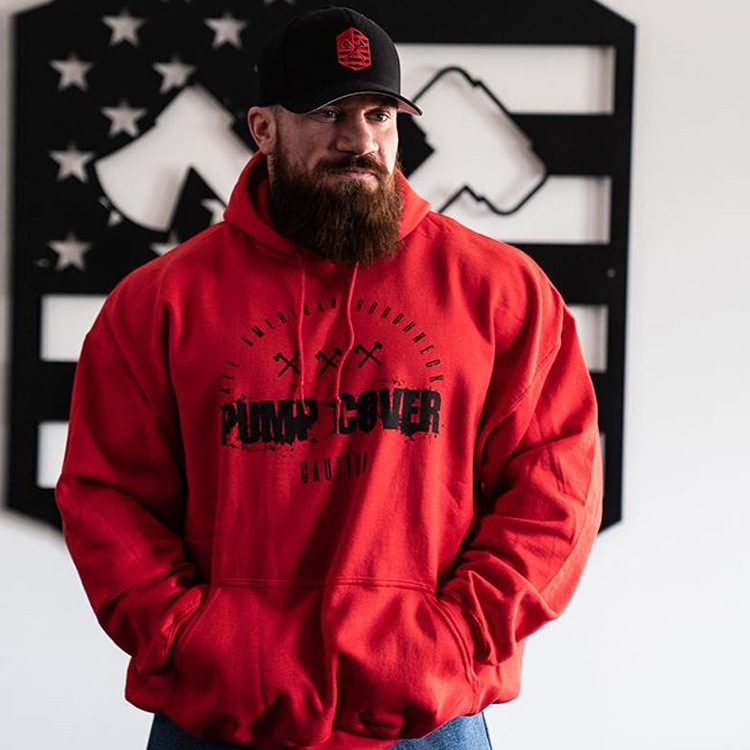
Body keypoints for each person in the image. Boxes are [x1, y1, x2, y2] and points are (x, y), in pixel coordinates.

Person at [56, 6, 603, 750]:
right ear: (263, 128)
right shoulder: (160, 303)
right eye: (327, 113)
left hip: (428, 716)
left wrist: (457, 635)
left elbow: (557, 488)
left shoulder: (500, 292)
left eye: (380, 114)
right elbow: (106, 496)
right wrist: (191, 636)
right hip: (219, 714)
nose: (360, 140)